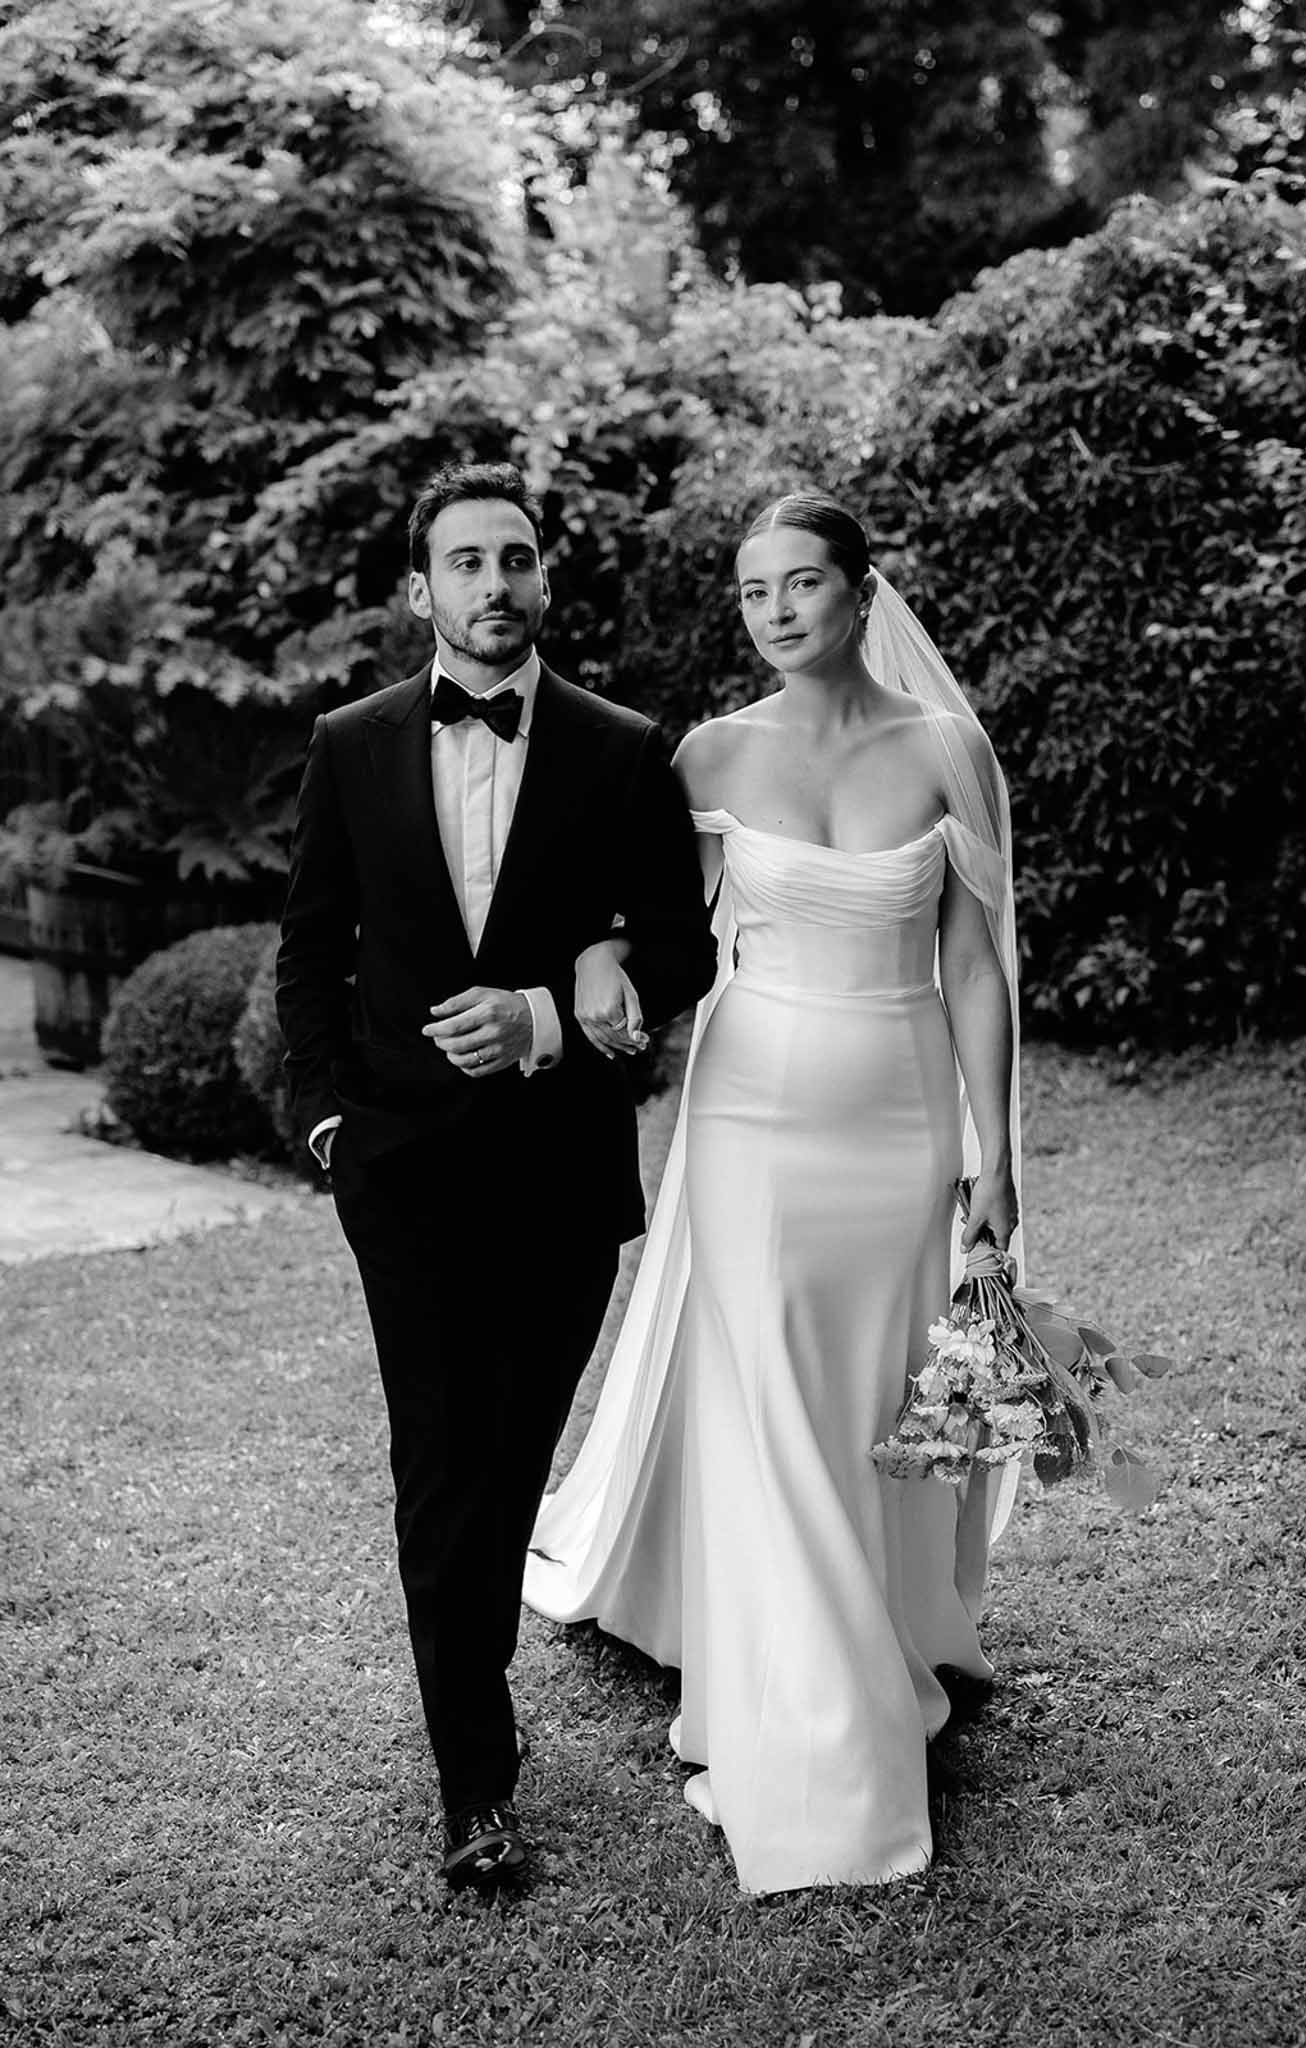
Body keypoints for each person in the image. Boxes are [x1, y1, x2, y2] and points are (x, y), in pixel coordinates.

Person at [524, 491, 1022, 1895]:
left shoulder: (945, 750)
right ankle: (809, 1711)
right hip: (746, 1116)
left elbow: (976, 966)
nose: (778, 611)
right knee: (771, 1403)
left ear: (863, 594)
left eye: (803, 583)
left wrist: (994, 1164)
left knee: (869, 1399)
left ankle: (882, 1621)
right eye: (753, 594)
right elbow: (649, 923)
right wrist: (600, 969)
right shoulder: (708, 752)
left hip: (901, 1111)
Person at [275, 461, 716, 1891]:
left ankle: (479, 1693)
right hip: (398, 1172)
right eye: (464, 563)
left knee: (508, 1460)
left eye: (515, 559)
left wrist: (545, 1009)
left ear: (544, 579)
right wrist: (327, 1121)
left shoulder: (621, 747)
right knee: (438, 1463)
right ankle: (475, 1778)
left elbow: (684, 947)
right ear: (423, 591)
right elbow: (308, 946)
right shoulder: (349, 743)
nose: (494, 584)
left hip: (556, 1170)